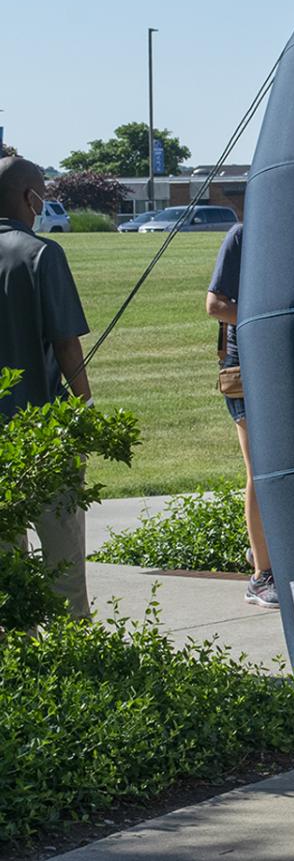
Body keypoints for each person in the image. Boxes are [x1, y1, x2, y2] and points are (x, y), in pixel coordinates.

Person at [0, 156, 93, 618]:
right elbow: (67, 347)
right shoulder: (41, 254)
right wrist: (87, 410)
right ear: (27, 196)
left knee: (6, 570)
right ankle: (73, 661)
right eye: (41, 194)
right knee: (63, 564)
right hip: (43, 434)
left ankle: (18, 660)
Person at [206, 223, 276, 609]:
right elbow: (215, 304)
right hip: (246, 367)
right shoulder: (243, 236)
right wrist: (269, 321)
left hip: (286, 365)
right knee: (260, 469)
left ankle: (264, 550)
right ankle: (261, 577)